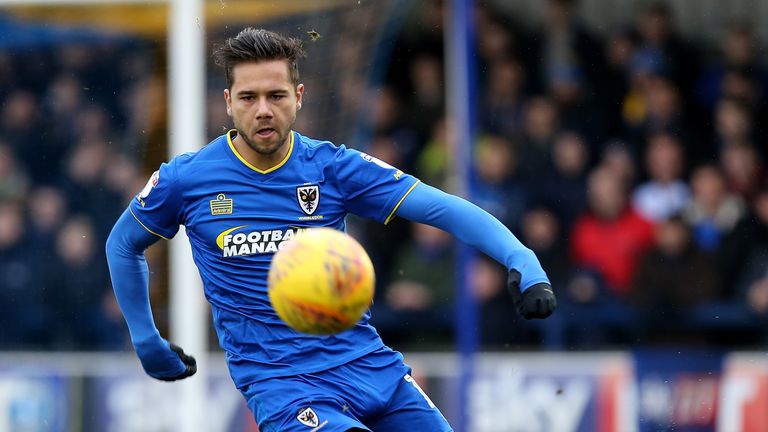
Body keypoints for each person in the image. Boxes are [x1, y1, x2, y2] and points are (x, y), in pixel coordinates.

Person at [105, 28, 555, 432]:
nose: (263, 110)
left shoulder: (332, 167)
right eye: (248, 98)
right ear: (228, 102)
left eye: (276, 96)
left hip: (370, 366)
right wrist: (146, 339)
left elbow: (439, 207)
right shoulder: (187, 179)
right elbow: (123, 244)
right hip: (283, 386)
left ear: (299, 96)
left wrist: (521, 257)